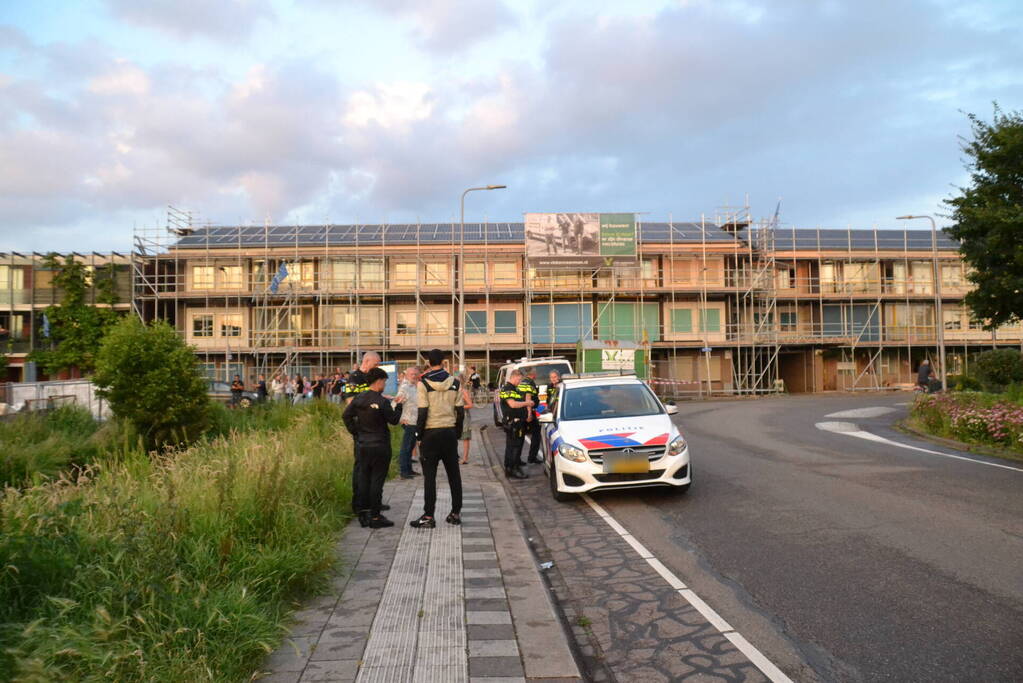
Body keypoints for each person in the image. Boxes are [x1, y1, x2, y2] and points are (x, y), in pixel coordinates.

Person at [342, 367, 404, 528]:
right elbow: (394, 420)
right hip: (380, 444)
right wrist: (399, 406)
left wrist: (356, 432)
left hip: (363, 444)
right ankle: (376, 517)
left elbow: (346, 415)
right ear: (379, 381)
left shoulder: (359, 398)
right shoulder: (382, 401)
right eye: (384, 382)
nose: (384, 385)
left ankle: (363, 514)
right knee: (377, 480)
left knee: (363, 478)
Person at [409, 348, 465, 528]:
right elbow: (460, 412)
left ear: (428, 362)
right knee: (454, 475)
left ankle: (428, 516)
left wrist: (418, 435)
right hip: (449, 432)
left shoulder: (423, 383)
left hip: (430, 433)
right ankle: (455, 513)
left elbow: (422, 411)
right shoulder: (455, 382)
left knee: (430, 477)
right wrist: (457, 433)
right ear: (443, 361)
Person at [345, 352, 385, 515]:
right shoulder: (354, 378)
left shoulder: (371, 378)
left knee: (372, 468)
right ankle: (359, 504)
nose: (378, 367)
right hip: (362, 428)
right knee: (361, 467)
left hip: (374, 428)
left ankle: (373, 501)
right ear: (366, 361)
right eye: (376, 364)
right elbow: (350, 402)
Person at [500, 369, 533, 479]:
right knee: (513, 446)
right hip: (512, 422)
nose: (519, 382)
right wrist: (527, 403)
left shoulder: (513, 388)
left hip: (517, 422)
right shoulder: (508, 389)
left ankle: (513, 467)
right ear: (514, 377)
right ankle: (512, 469)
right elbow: (512, 404)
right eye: (519, 380)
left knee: (515, 446)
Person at [397, 365, 421, 479]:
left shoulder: (415, 386)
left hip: (415, 420)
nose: (414, 376)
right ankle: (404, 472)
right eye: (412, 374)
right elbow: (396, 403)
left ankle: (409, 469)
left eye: (415, 374)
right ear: (406, 375)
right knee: (406, 447)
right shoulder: (405, 387)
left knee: (411, 446)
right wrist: (400, 418)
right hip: (408, 421)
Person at [519, 367, 542, 464]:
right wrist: (529, 414)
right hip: (528, 411)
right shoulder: (530, 383)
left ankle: (517, 459)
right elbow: (528, 398)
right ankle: (532, 457)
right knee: (536, 433)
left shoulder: (522, 382)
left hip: (520, 411)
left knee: (520, 436)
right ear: (533, 374)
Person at [459, 372, 474, 465]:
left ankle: (465, 458)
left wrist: (459, 407)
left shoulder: (464, 391)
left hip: (464, 417)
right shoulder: (455, 391)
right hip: (456, 417)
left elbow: (470, 405)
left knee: (465, 438)